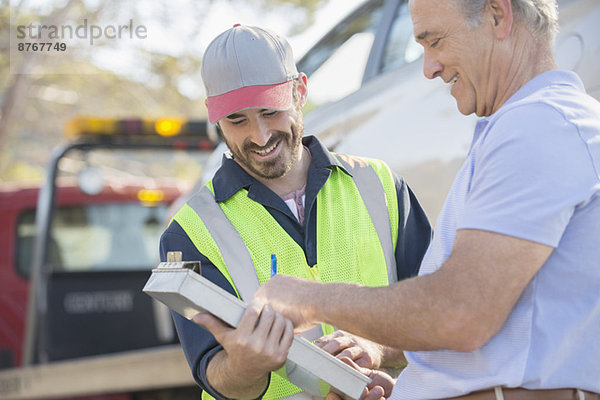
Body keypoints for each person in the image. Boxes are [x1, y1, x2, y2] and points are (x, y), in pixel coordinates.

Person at [253, 0, 600, 399]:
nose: (429, 67)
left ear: (498, 16)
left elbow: (461, 312)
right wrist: (403, 380)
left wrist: (309, 298)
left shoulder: (540, 126)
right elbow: (511, 322)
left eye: (434, 41)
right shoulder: (540, 125)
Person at [159, 24, 432, 400]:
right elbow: (214, 373)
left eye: (270, 111)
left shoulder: (382, 186)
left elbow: (440, 316)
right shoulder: (188, 233)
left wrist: (378, 347)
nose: (259, 136)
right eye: (237, 120)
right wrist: (244, 364)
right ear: (215, 117)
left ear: (299, 91)